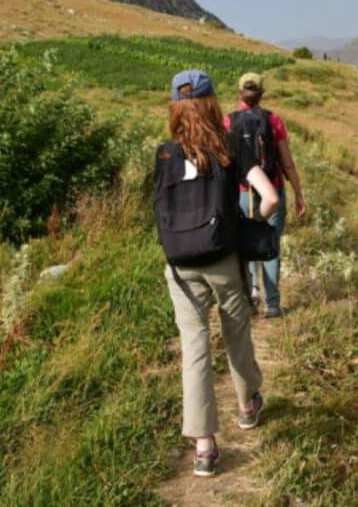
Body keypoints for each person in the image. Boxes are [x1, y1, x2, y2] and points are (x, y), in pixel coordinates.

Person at [155, 70, 279, 478]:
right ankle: (246, 406)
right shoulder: (229, 148)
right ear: (212, 104)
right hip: (223, 259)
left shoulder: (165, 155)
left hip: (179, 265)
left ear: (175, 108)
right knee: (236, 332)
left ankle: (205, 448)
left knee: (195, 349)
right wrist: (253, 228)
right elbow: (271, 198)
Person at [224, 71, 306, 318]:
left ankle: (250, 298)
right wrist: (299, 194)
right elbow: (287, 162)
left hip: (243, 192)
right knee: (270, 244)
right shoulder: (273, 120)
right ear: (262, 94)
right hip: (273, 187)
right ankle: (272, 304)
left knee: (246, 244)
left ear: (240, 93)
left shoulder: (228, 121)